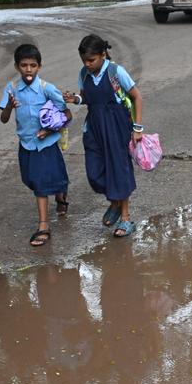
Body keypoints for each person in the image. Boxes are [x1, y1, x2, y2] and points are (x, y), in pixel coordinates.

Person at [62, 35, 144, 238]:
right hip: (94, 129)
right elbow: (87, 97)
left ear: (103, 54)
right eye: (84, 61)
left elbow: (136, 96)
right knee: (95, 172)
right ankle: (114, 202)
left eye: (91, 60)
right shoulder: (84, 73)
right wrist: (76, 99)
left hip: (117, 126)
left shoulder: (116, 72)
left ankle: (125, 218)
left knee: (119, 170)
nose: (88, 65)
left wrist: (138, 128)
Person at [0, 43, 72, 247]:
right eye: (24, 65)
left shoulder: (46, 88)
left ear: (39, 66)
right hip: (26, 144)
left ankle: (43, 226)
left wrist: (48, 130)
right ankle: (60, 195)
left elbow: (67, 115)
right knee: (31, 179)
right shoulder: (12, 89)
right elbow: (4, 119)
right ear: (17, 67)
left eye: (32, 65)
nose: (28, 69)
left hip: (46, 144)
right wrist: (8, 106)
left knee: (40, 184)